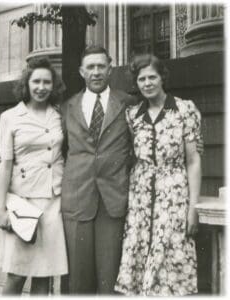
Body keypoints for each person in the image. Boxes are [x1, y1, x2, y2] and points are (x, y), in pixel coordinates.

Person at [114, 54, 202, 296]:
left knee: (169, 259)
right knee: (140, 258)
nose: (147, 83)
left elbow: (193, 161)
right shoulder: (133, 115)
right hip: (140, 196)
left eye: (152, 77)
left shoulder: (184, 109)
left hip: (173, 193)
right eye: (141, 79)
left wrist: (192, 208)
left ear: (162, 77)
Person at [60, 45, 136, 294]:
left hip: (113, 199)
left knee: (109, 278)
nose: (96, 72)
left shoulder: (128, 103)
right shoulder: (67, 107)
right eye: (90, 67)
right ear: (82, 71)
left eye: (101, 66)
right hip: (78, 198)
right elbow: (56, 150)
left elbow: (138, 149)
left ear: (110, 68)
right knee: (79, 279)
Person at [0, 57, 68, 295]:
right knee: (16, 275)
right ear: (26, 84)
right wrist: (1, 209)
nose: (41, 87)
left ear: (53, 85)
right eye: (36, 81)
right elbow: (5, 165)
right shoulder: (10, 117)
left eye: (47, 82)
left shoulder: (59, 115)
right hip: (23, 203)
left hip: (53, 202)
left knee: (44, 276)